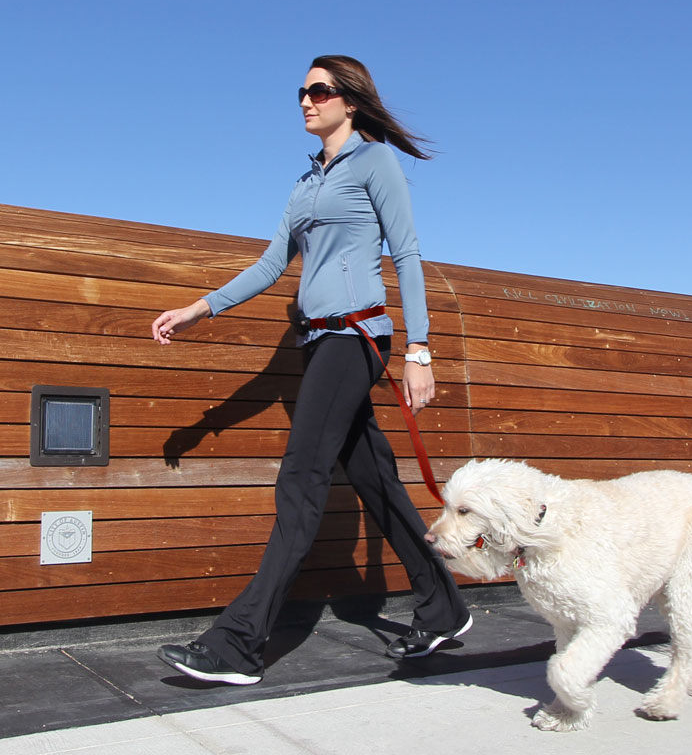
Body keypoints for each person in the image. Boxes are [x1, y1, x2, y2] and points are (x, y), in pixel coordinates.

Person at [152, 55, 471, 685]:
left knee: (301, 479)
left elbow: (407, 254)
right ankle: (443, 605)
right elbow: (272, 264)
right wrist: (198, 309)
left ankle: (239, 645)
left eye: (319, 91)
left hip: (357, 336)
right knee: (374, 478)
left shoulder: (375, 161)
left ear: (349, 101)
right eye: (301, 91)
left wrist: (420, 350)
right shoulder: (304, 183)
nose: (306, 100)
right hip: (317, 341)